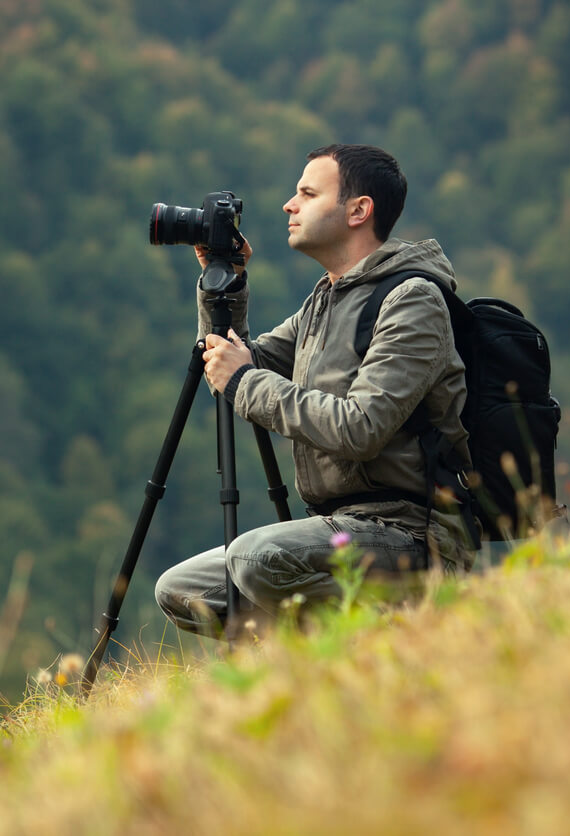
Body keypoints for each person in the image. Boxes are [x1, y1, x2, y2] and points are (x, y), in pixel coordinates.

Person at [154, 143, 476, 635]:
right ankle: (323, 651)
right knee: (184, 590)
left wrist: (244, 378)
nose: (289, 204)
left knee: (256, 558)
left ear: (358, 210)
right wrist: (227, 288)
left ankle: (394, 633)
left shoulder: (412, 300)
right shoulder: (326, 299)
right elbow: (235, 367)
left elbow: (360, 428)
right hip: (338, 526)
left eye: (307, 193)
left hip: (410, 534)